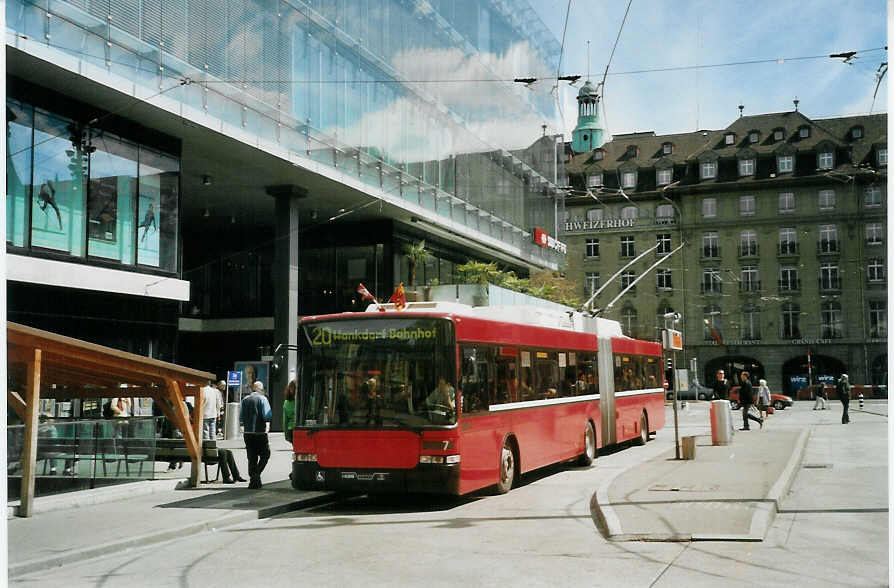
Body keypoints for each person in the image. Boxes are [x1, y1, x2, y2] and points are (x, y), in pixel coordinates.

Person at [240, 380, 272, 489]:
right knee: (266, 454)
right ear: (261, 389)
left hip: (247, 432)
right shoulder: (263, 399)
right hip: (260, 432)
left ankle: (254, 480)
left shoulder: (244, 400)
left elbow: (240, 416)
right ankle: (255, 476)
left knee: (252, 457)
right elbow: (267, 416)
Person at [283, 379, 297, 443]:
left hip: (291, 429)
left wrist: (286, 433)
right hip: (302, 428)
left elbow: (285, 421)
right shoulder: (307, 399)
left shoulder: (286, 402)